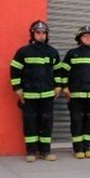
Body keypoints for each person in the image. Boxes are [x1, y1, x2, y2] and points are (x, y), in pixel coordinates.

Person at [10, 20, 61, 162]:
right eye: (38, 33)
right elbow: (15, 70)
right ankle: (31, 152)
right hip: (29, 95)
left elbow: (58, 71)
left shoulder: (52, 52)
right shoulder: (23, 52)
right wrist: (18, 89)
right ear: (32, 34)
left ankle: (45, 152)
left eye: (44, 33)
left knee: (46, 123)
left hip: (47, 95)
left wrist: (58, 86)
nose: (41, 35)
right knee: (30, 122)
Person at [60, 26, 90, 159]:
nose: (88, 38)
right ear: (79, 39)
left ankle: (87, 147)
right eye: (85, 36)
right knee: (76, 120)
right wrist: (64, 87)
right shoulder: (72, 53)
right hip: (75, 94)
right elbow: (63, 72)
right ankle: (78, 149)